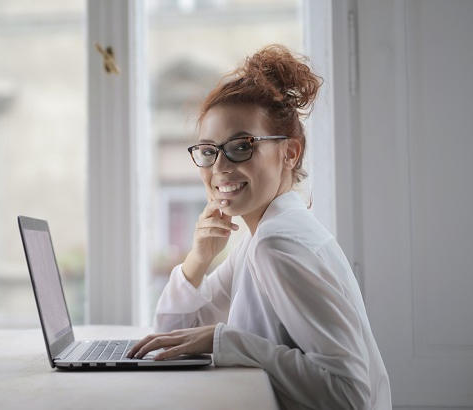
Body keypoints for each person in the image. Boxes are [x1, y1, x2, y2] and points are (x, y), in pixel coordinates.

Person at [126, 44, 391, 409]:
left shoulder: (277, 244)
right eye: (208, 150)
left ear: (290, 152)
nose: (219, 167)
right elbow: (171, 338)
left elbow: (350, 396)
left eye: (241, 146)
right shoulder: (261, 238)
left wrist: (228, 342)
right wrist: (198, 260)